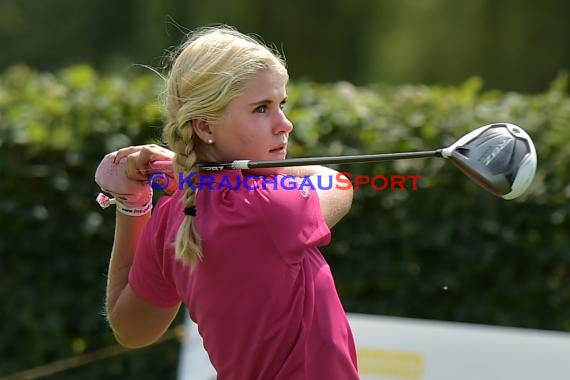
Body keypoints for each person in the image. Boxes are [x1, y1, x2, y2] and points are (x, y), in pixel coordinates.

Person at [95, 25, 358, 379]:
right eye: (262, 109)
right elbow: (338, 183)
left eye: (281, 104)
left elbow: (132, 330)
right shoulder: (268, 207)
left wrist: (133, 202)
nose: (285, 124)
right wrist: (199, 174)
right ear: (205, 127)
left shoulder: (171, 215)